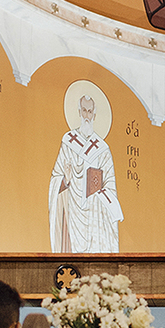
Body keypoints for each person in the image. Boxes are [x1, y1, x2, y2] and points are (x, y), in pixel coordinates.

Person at [48, 93, 124, 253]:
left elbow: (110, 184)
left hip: (95, 216)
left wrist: (100, 194)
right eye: (84, 110)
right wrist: (65, 181)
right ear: (78, 112)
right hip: (72, 212)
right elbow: (55, 178)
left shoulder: (103, 149)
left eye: (90, 111)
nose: (87, 115)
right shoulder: (68, 142)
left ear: (95, 114)